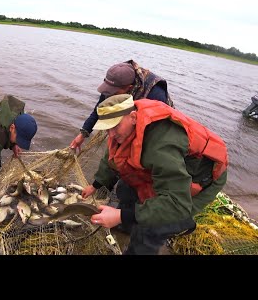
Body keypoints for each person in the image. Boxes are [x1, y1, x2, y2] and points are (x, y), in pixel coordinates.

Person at [81, 94, 228, 255]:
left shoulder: (161, 145)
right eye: (107, 128)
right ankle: (126, 225)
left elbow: (176, 202)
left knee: (151, 228)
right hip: (167, 168)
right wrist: (96, 185)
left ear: (133, 117)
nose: (111, 134)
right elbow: (113, 156)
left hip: (200, 178)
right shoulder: (122, 128)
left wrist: (122, 215)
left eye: (115, 127)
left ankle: (182, 224)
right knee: (125, 188)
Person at [69, 59, 173, 153]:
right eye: (108, 90)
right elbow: (99, 110)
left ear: (129, 87)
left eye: (114, 92)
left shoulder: (155, 93)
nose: (110, 94)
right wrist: (82, 134)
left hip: (154, 123)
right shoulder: (113, 84)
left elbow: (155, 130)